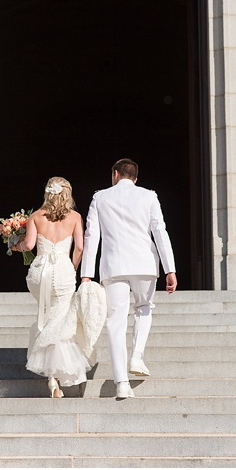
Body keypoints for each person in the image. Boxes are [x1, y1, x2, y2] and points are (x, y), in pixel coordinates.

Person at [81, 158, 178, 400]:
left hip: (114, 265)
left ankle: (122, 383)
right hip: (144, 263)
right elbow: (160, 231)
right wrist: (170, 269)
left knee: (115, 321)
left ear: (115, 174)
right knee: (144, 308)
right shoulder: (149, 196)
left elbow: (91, 235)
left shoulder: (100, 197)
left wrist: (86, 274)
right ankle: (137, 355)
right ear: (135, 178)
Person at [13, 177, 99, 398]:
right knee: (59, 319)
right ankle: (55, 375)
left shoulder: (35, 217)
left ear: (47, 193)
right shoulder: (75, 217)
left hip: (39, 272)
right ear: (67, 194)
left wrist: (16, 245)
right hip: (62, 271)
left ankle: (52, 376)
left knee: (50, 316)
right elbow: (79, 247)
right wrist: (73, 267)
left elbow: (30, 245)